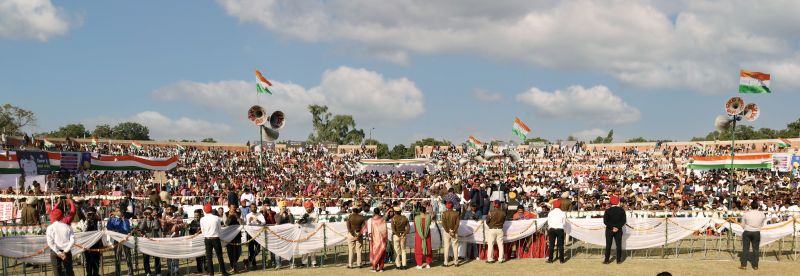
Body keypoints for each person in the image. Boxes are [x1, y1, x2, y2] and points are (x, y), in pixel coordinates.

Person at [201, 203, 229, 276]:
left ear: (204, 210)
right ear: (211, 209)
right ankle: (223, 272)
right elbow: (220, 230)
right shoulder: (216, 218)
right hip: (216, 238)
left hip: (207, 239)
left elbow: (203, 231)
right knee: (220, 256)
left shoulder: (202, 219)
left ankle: (211, 274)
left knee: (209, 258)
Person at [46, 208, 75, 276]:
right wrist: (65, 251)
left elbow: (50, 243)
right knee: (69, 271)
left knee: (57, 272)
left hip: (55, 251)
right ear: (62, 216)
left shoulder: (50, 227)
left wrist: (58, 252)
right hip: (66, 251)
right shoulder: (68, 227)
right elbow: (72, 240)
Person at [740, 200, 765, 270]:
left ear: (750, 206)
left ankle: (744, 265)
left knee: (745, 249)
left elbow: (742, 225)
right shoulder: (762, 214)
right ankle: (755, 265)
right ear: (758, 206)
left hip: (747, 231)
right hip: (756, 232)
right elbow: (762, 224)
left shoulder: (746, 214)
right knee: (756, 249)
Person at [161, 205, 186, 275]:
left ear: (172, 210)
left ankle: (176, 271)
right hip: (167, 239)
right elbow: (162, 226)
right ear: (165, 210)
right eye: (167, 209)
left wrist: (176, 226)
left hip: (176, 238)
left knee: (176, 255)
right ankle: (170, 271)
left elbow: (183, 224)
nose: (169, 211)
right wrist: (164, 216)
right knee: (169, 256)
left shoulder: (177, 216)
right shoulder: (164, 217)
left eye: (170, 209)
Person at [107, 210, 133, 276]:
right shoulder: (113, 220)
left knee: (128, 257)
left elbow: (126, 230)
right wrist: (109, 219)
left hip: (125, 240)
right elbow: (109, 228)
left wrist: (123, 220)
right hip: (117, 240)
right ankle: (117, 274)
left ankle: (130, 273)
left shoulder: (126, 220)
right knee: (117, 258)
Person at [139, 207, 162, 276]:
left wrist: (154, 218)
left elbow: (157, 228)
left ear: (152, 213)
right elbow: (140, 229)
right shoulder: (143, 220)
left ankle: (158, 272)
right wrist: (145, 219)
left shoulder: (156, 220)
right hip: (146, 241)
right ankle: (147, 272)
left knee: (157, 257)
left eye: (149, 213)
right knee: (146, 257)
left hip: (154, 240)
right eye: (146, 213)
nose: (148, 214)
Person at [603, 196, 626, 264]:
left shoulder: (607, 210)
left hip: (609, 229)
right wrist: (617, 227)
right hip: (619, 229)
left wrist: (612, 227)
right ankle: (618, 260)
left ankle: (607, 260)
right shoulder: (622, 210)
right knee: (618, 245)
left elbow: (605, 221)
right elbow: (624, 221)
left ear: (610, 202)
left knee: (608, 245)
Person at [244, 203, 265, 270]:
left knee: (258, 249)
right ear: (250, 208)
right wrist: (249, 221)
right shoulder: (248, 215)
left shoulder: (260, 214)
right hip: (250, 234)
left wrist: (258, 221)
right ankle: (254, 264)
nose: (254, 208)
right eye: (252, 207)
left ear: (256, 208)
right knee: (251, 250)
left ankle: (247, 260)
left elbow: (264, 222)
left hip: (258, 233)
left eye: (255, 207)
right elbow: (246, 225)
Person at [299, 200, 319, 268]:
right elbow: (300, 222)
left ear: (312, 207)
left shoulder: (315, 213)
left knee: (313, 249)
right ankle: (304, 263)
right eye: (306, 207)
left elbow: (315, 221)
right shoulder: (303, 213)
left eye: (309, 207)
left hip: (312, 232)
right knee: (304, 248)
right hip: (304, 232)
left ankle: (314, 262)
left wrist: (308, 218)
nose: (308, 208)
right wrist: (302, 219)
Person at [367, 208, 388, 272]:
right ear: (379, 212)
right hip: (382, 239)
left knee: (375, 253)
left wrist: (370, 238)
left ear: (374, 212)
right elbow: (385, 230)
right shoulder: (383, 220)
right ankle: (381, 268)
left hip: (375, 240)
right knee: (381, 253)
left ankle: (374, 268)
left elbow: (370, 231)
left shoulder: (371, 220)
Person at [224, 204, 243, 273]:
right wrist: (229, 216)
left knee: (238, 251)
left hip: (237, 235)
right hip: (229, 236)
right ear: (229, 208)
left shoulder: (239, 213)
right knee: (230, 251)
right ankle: (233, 266)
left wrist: (237, 216)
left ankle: (234, 264)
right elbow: (225, 224)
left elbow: (242, 223)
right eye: (233, 208)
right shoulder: (225, 214)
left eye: (235, 207)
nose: (234, 209)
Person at [83, 209, 102, 276]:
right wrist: (87, 220)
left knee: (96, 260)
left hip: (96, 243)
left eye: (92, 214)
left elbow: (100, 231)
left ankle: (96, 273)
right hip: (87, 244)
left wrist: (99, 220)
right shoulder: (85, 221)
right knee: (88, 260)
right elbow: (84, 231)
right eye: (89, 214)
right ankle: (89, 273)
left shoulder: (97, 221)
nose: (91, 216)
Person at [441, 201, 460, 267]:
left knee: (446, 247)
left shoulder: (444, 213)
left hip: (447, 232)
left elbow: (443, 223)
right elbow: (457, 224)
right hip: (454, 232)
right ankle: (456, 262)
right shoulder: (456, 213)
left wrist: (448, 231)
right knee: (455, 247)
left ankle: (446, 262)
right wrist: (453, 231)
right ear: (453, 206)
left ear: (447, 206)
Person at [390, 204, 409, 270]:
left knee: (397, 251)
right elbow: (408, 228)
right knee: (403, 250)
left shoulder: (393, 219)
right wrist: (403, 234)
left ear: (395, 212)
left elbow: (393, 229)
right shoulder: (405, 218)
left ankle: (398, 265)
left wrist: (398, 235)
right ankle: (404, 265)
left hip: (396, 236)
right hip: (403, 235)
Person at [188, 209, 207, 274]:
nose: (196, 217)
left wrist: (199, 230)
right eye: (195, 215)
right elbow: (190, 232)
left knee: (203, 256)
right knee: (197, 256)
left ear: (200, 215)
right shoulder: (193, 222)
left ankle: (205, 269)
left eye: (197, 215)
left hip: (203, 241)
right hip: (196, 241)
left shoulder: (203, 221)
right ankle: (199, 270)